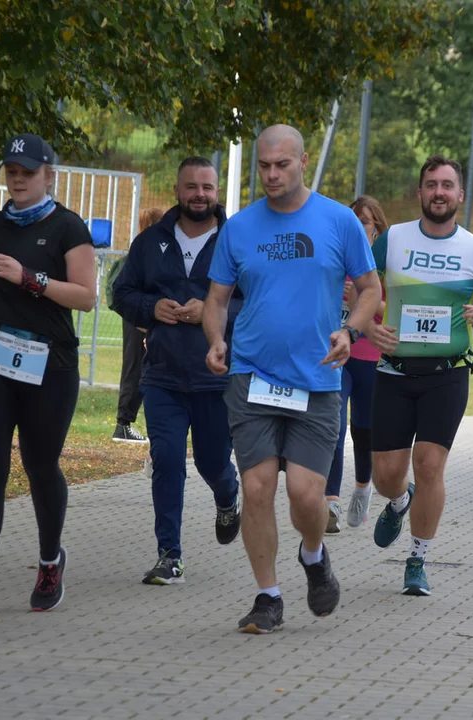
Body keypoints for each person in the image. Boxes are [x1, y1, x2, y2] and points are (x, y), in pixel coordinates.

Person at [204, 124, 382, 634]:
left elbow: (369, 290)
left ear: (303, 161)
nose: (272, 174)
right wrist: (216, 340)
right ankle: (268, 596)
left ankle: (313, 555)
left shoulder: (338, 221)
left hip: (318, 379)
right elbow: (216, 299)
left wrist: (350, 330)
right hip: (252, 376)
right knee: (256, 487)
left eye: (282, 165)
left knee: (306, 495)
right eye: (264, 166)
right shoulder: (239, 227)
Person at [0, 133, 96, 617]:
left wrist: (30, 279)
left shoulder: (68, 227)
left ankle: (50, 560)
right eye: (11, 170)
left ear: (49, 175)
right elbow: (1, 284)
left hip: (49, 362)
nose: (17, 178)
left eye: (28, 171)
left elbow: (85, 296)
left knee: (39, 464)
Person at [365, 154, 473, 597]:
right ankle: (397, 499)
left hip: (447, 374)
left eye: (448, 185)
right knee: (387, 473)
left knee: (429, 466)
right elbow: (360, 287)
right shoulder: (393, 239)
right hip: (393, 369)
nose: (440, 192)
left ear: (460, 195)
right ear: (421, 192)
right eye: (432, 185)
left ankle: (417, 558)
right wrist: (369, 326)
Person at [111, 157, 243, 585]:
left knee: (211, 462)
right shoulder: (151, 242)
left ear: (217, 191)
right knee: (167, 459)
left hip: (216, 376)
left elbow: (257, 301)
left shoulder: (236, 241)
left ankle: (228, 497)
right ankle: (170, 555)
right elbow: (121, 293)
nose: (199, 194)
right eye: (192, 186)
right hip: (163, 375)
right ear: (178, 189)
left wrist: (213, 310)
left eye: (207, 186)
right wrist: (151, 307)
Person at [324, 195, 388, 531]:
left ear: (376, 226)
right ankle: (330, 501)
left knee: (363, 430)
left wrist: (365, 308)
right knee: (334, 424)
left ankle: (362, 487)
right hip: (339, 355)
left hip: (369, 358)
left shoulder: (384, 264)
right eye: (354, 219)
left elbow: (392, 313)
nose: (359, 225)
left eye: (365, 220)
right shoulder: (337, 256)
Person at [109, 208, 166, 444]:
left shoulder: (144, 249)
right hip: (139, 317)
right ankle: (123, 424)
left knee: (140, 368)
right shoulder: (146, 251)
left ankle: (130, 422)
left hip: (139, 316)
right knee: (135, 368)